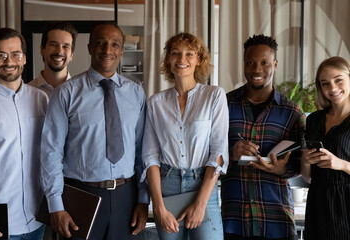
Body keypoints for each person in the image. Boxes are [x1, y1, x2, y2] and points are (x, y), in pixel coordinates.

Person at [40, 22, 148, 240]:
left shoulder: (136, 93)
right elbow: (51, 152)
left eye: (114, 44)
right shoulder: (65, 94)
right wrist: (55, 205)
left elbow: (142, 152)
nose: (107, 50)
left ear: (121, 50)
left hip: (126, 197)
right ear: (90, 48)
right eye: (100, 43)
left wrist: (143, 200)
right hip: (80, 196)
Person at [142, 32, 229, 240]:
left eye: (189, 54)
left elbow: (217, 152)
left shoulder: (214, 96)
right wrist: (159, 208)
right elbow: (150, 157)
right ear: (168, 60)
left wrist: (200, 204)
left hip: (203, 185)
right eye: (176, 53)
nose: (182, 59)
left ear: (199, 60)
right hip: (167, 186)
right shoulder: (155, 103)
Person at [221, 34, 306, 240]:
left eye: (264, 63)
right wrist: (230, 153)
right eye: (250, 62)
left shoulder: (292, 112)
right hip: (234, 219)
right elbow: (206, 153)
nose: (257, 69)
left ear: (275, 64)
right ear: (243, 64)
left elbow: (304, 162)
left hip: (276, 220)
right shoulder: (223, 105)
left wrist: (283, 169)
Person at [0, 28, 48, 239]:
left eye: (15, 54)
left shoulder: (41, 99)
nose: (9, 61)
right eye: (1, 55)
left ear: (24, 58)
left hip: (37, 219)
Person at [301, 56, 350, 240]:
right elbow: (308, 177)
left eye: (338, 80)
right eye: (325, 83)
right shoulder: (314, 119)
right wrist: (306, 161)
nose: (333, 88)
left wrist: (341, 164)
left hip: (345, 203)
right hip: (318, 202)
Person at [27, 22, 77, 97]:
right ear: (42, 50)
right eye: (53, 44)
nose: (59, 51)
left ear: (71, 55)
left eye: (65, 46)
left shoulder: (81, 92)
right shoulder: (26, 92)